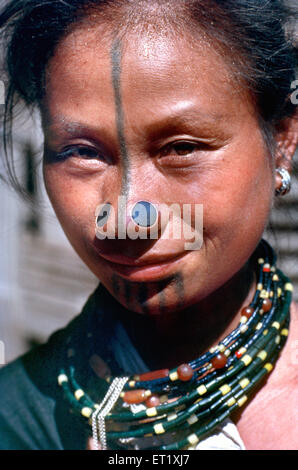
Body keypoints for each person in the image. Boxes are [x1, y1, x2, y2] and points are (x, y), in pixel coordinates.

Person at [0, 0, 297, 451]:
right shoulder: (19, 420)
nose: (126, 218)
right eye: (83, 152)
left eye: (180, 148)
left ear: (281, 140)